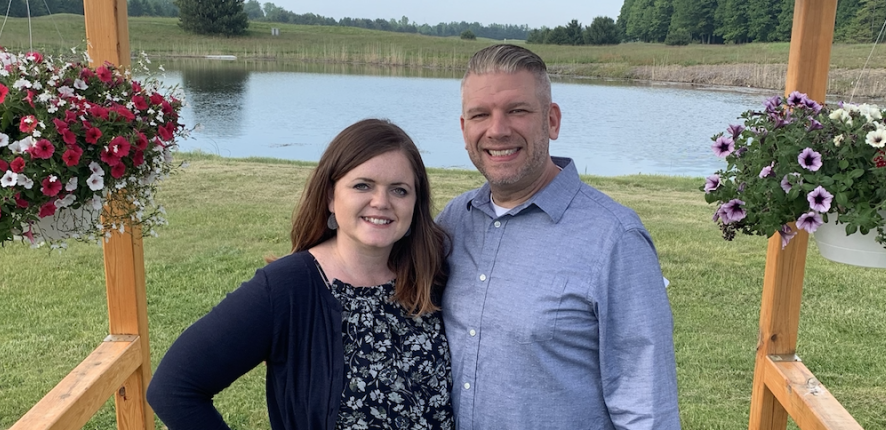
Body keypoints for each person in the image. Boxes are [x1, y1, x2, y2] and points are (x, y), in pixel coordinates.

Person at [147, 118, 454, 429]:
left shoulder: (430, 277)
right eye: (363, 185)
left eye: (399, 190)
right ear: (331, 197)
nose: (381, 202)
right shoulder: (286, 288)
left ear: (416, 204)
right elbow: (174, 388)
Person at [436, 44, 681, 429]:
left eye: (517, 110)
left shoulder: (615, 239)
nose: (497, 130)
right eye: (480, 114)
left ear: (552, 120)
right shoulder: (453, 221)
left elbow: (647, 409)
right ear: (465, 129)